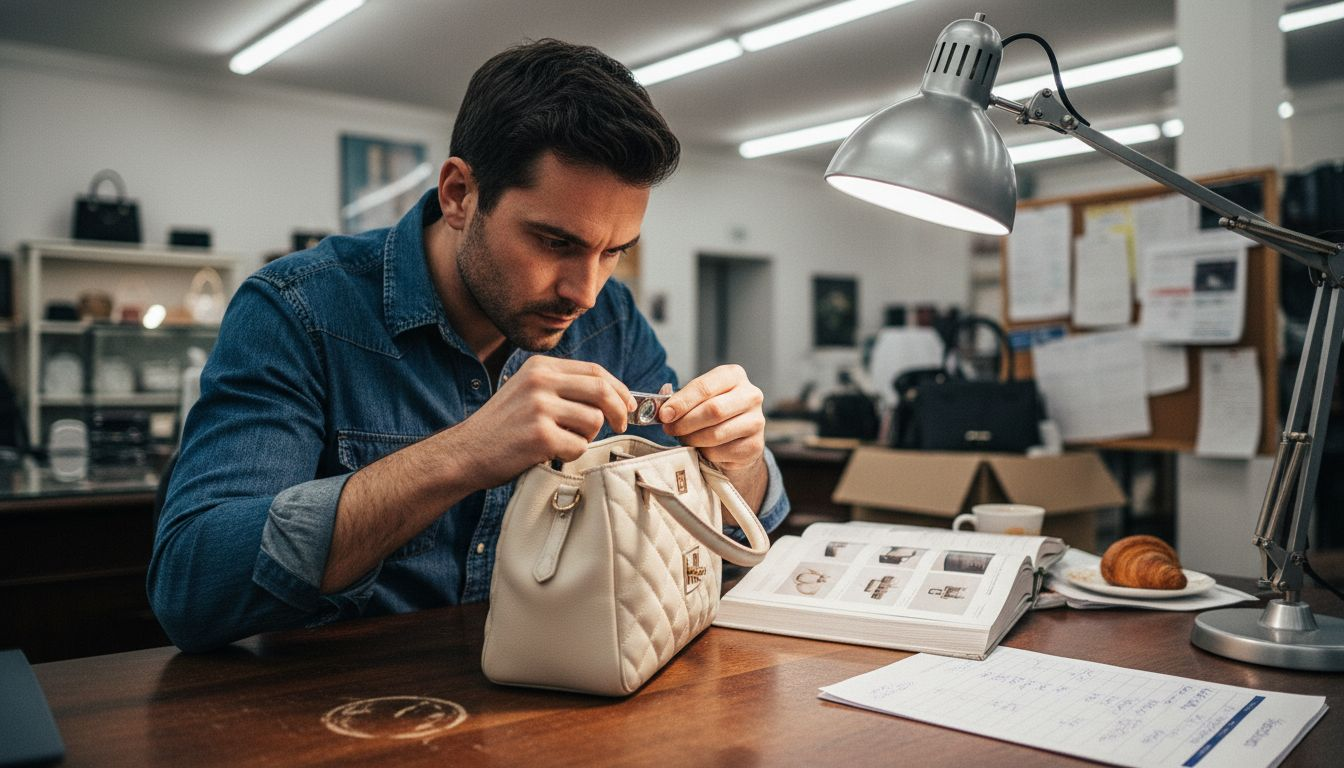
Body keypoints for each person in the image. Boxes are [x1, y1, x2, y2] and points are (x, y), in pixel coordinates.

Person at [148, 39, 790, 651]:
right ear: (459, 194)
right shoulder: (298, 311)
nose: (586, 291)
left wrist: (738, 462)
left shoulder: (611, 321)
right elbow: (192, 586)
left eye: (613, 252)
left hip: (560, 700)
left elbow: (722, 537)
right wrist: (463, 453)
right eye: (556, 243)